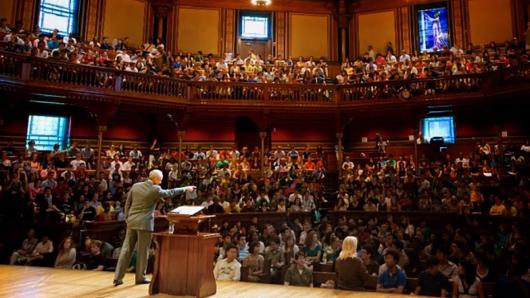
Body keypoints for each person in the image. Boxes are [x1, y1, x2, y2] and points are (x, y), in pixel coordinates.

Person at [113, 169, 196, 286]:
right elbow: (170, 192)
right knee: (143, 251)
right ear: (156, 179)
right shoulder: (155, 189)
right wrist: (185, 188)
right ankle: (140, 277)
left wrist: (127, 218)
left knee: (126, 250)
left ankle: (117, 278)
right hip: (145, 223)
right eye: (160, 180)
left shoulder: (136, 186)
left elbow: (128, 203)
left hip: (131, 222)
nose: (161, 182)